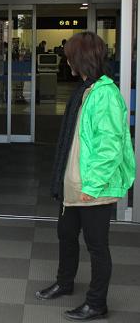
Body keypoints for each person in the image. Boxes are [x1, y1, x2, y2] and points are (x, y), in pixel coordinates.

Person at [35, 32, 135, 322]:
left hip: (92, 187)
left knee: (97, 245)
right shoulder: (86, 89)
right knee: (66, 234)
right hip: (74, 184)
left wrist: (92, 187)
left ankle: (96, 303)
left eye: (69, 57)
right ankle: (65, 283)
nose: (67, 62)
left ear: (81, 60)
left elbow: (109, 147)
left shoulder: (104, 94)